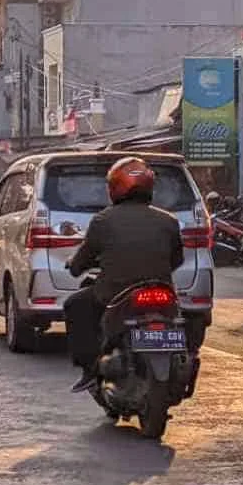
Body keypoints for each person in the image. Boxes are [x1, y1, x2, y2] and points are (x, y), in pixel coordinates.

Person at [63, 157, 184, 393]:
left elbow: (84, 257)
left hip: (115, 293)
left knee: (74, 305)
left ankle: (89, 368)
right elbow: (176, 259)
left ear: (115, 188)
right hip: (160, 289)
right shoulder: (169, 221)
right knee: (185, 318)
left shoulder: (102, 220)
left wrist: (75, 266)